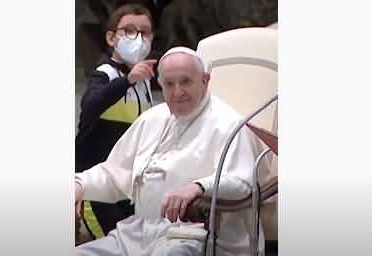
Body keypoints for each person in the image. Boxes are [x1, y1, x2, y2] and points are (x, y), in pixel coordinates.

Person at [75, 47, 270, 256]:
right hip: (139, 233)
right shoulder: (151, 119)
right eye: (169, 84)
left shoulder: (228, 124)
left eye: (185, 81)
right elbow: (114, 174)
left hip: (197, 236)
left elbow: (243, 181)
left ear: (205, 80)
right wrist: (78, 185)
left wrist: (198, 187)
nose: (177, 92)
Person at [75, 4, 156, 238]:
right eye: (129, 30)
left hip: (126, 186)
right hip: (95, 187)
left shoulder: (144, 81)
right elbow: (90, 104)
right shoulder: (105, 74)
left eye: (145, 32)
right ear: (111, 37)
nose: (138, 38)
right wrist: (127, 80)